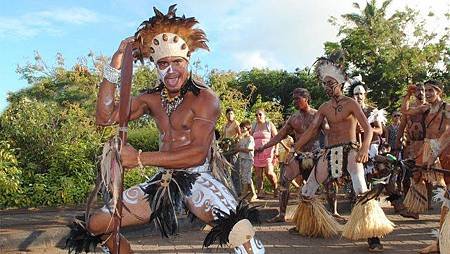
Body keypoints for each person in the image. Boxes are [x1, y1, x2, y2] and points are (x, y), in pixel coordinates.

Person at [66, 6, 264, 254]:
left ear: (188, 61)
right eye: (163, 63)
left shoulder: (205, 99)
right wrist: (116, 62)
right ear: (155, 65)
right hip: (163, 180)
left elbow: (197, 154)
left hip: (198, 177)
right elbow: (105, 116)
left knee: (241, 234)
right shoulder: (151, 98)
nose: (170, 70)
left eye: (177, 62)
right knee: (96, 225)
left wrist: (138, 158)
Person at [290, 57, 394, 252]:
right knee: (307, 190)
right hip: (329, 153)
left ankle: (373, 236)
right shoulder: (324, 107)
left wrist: (363, 149)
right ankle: (308, 225)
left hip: (351, 150)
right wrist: (295, 148)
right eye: (324, 84)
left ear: (341, 83)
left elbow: (368, 129)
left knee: (361, 190)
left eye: (331, 83)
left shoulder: (351, 104)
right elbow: (312, 130)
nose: (327, 87)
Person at [255, 88, 323, 223]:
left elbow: (328, 131)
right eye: (294, 99)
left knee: (327, 183)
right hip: (299, 156)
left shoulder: (317, 115)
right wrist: (263, 147)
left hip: (316, 155)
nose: (294, 102)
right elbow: (280, 135)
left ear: (306, 99)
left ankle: (334, 212)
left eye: (297, 99)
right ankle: (281, 214)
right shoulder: (294, 118)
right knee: (284, 181)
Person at [400, 80, 449, 254]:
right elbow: (405, 112)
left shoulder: (447, 108)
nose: (427, 93)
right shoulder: (425, 108)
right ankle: (440, 242)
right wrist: (407, 95)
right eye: (426, 90)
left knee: (448, 194)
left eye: (431, 90)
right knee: (446, 197)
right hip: (429, 148)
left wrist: (438, 150)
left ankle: (441, 242)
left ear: (439, 92)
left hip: (445, 150)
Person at [252, 109, 279, 198]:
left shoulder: (269, 124)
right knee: (258, 175)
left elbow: (276, 138)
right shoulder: (254, 125)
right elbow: (250, 137)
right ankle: (260, 191)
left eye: (260, 114)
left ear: (264, 115)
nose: (258, 116)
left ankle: (276, 187)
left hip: (268, 152)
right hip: (256, 153)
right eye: (256, 115)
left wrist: (276, 151)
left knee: (269, 172)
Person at [222, 107, 242, 196]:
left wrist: (234, 141)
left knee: (235, 169)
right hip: (225, 149)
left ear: (234, 115)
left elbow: (240, 135)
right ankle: (228, 188)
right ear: (226, 115)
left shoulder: (236, 123)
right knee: (225, 169)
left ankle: (238, 190)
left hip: (233, 148)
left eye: (231, 113)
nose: (230, 115)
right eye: (228, 113)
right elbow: (222, 136)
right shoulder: (224, 125)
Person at [236, 120, 257, 202]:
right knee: (246, 177)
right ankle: (253, 193)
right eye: (241, 128)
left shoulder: (250, 138)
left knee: (246, 176)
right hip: (242, 158)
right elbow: (237, 147)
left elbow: (249, 149)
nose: (241, 129)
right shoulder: (241, 138)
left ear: (248, 129)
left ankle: (244, 193)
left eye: (243, 128)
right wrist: (238, 141)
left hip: (248, 159)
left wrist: (240, 149)